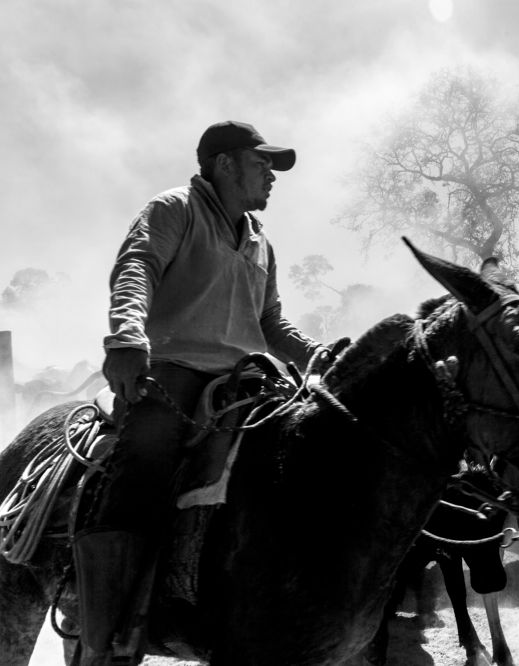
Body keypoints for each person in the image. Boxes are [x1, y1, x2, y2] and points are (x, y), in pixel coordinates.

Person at [74, 120, 329, 665]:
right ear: (224, 164)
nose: (271, 177)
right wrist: (126, 336)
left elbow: (272, 322)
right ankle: (106, 626)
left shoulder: (261, 239)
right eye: (262, 164)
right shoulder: (174, 209)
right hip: (174, 369)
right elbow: (136, 267)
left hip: (247, 380)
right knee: (145, 459)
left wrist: (317, 355)